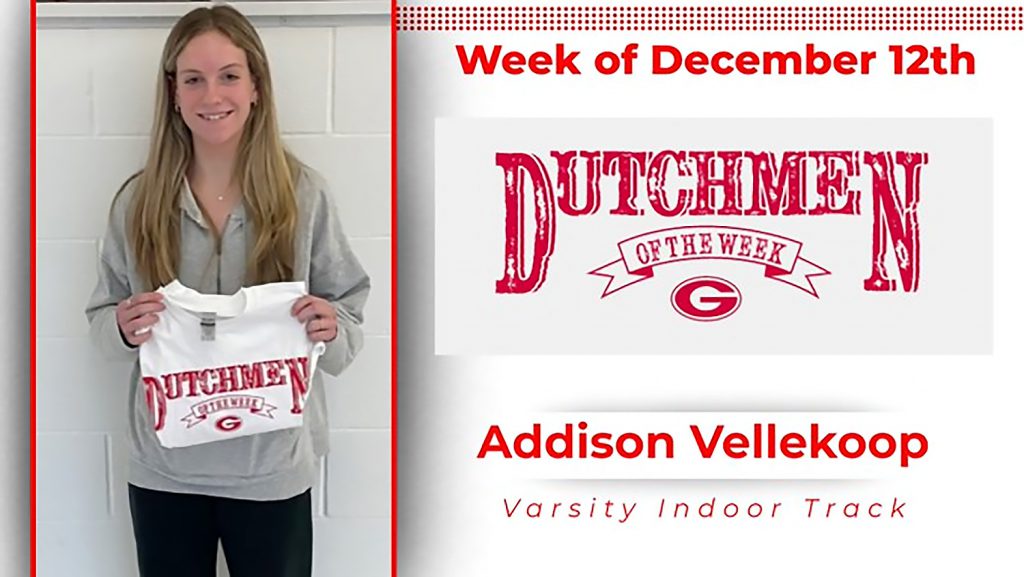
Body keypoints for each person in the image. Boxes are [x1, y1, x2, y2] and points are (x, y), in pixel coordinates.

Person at [84, 5, 370, 577]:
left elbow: (349, 315)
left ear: (257, 86)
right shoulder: (137, 203)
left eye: (229, 75)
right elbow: (100, 319)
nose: (211, 94)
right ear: (173, 93)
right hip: (165, 469)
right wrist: (119, 325)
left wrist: (330, 326)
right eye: (193, 78)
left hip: (272, 471)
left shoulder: (304, 197)